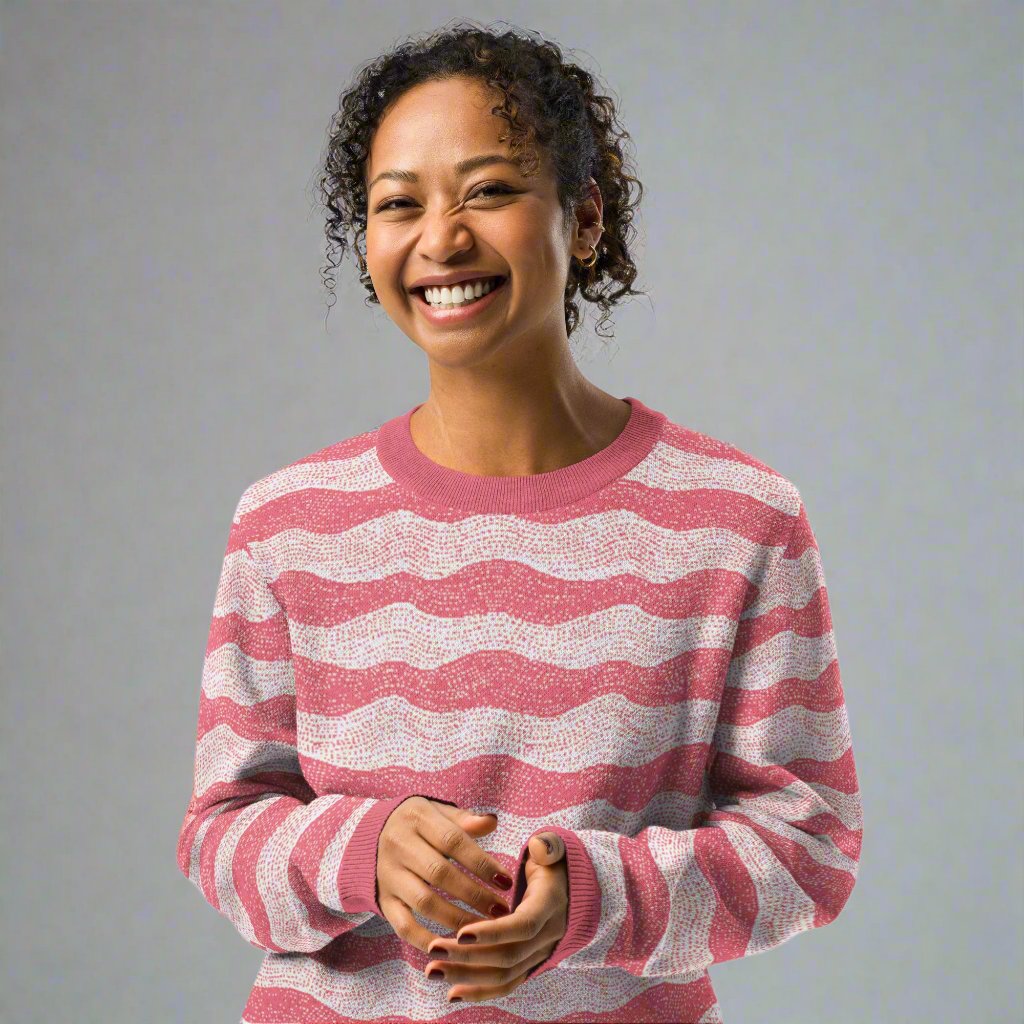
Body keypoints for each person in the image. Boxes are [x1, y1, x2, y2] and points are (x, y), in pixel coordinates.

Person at [176, 20, 863, 1024]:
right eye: (397, 204)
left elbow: (809, 843)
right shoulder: (289, 524)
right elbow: (219, 831)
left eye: (489, 190)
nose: (440, 238)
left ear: (582, 220)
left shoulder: (737, 523)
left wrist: (589, 898)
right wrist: (364, 854)